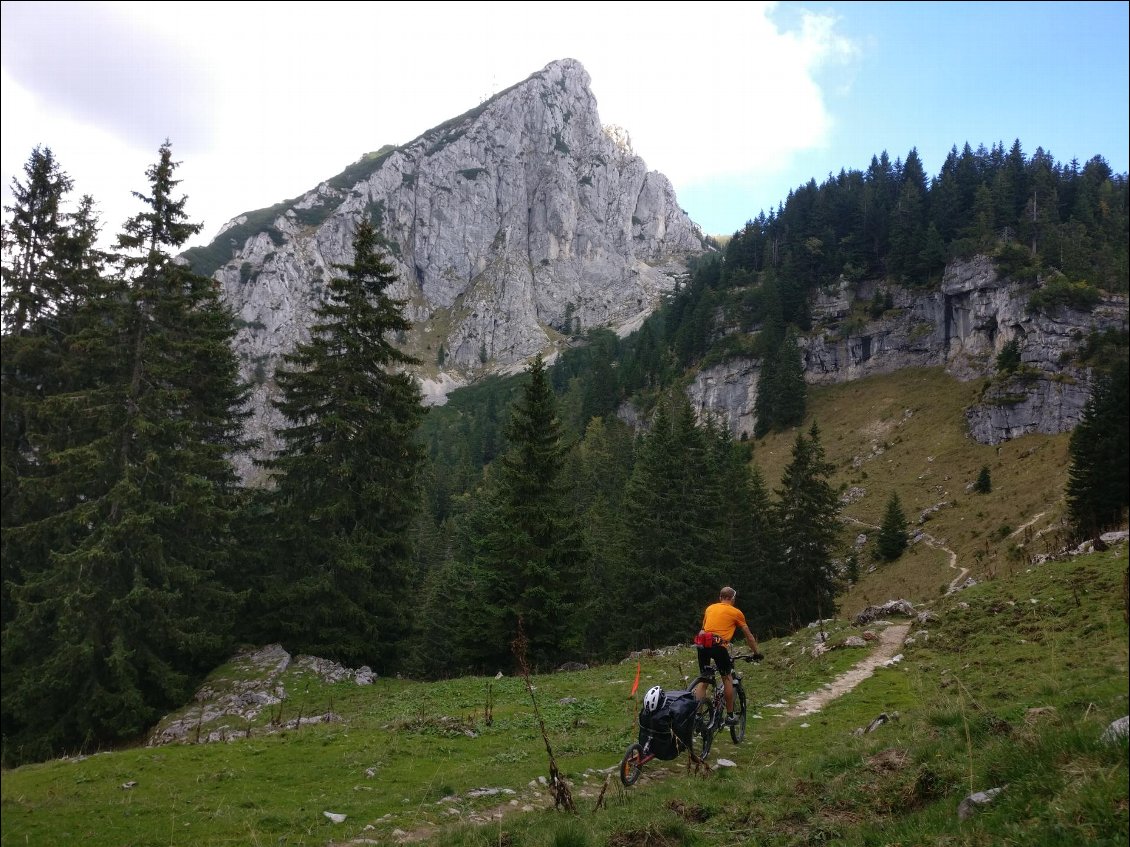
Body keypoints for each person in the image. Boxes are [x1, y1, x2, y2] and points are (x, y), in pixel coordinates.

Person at [696, 586, 759, 726]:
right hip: (719, 647)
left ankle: (698, 716)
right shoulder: (736, 612)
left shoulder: (710, 608)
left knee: (704, 679)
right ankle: (730, 716)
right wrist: (756, 653)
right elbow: (748, 636)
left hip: (702, 645)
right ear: (733, 598)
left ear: (720, 597)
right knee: (727, 678)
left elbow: (704, 629)